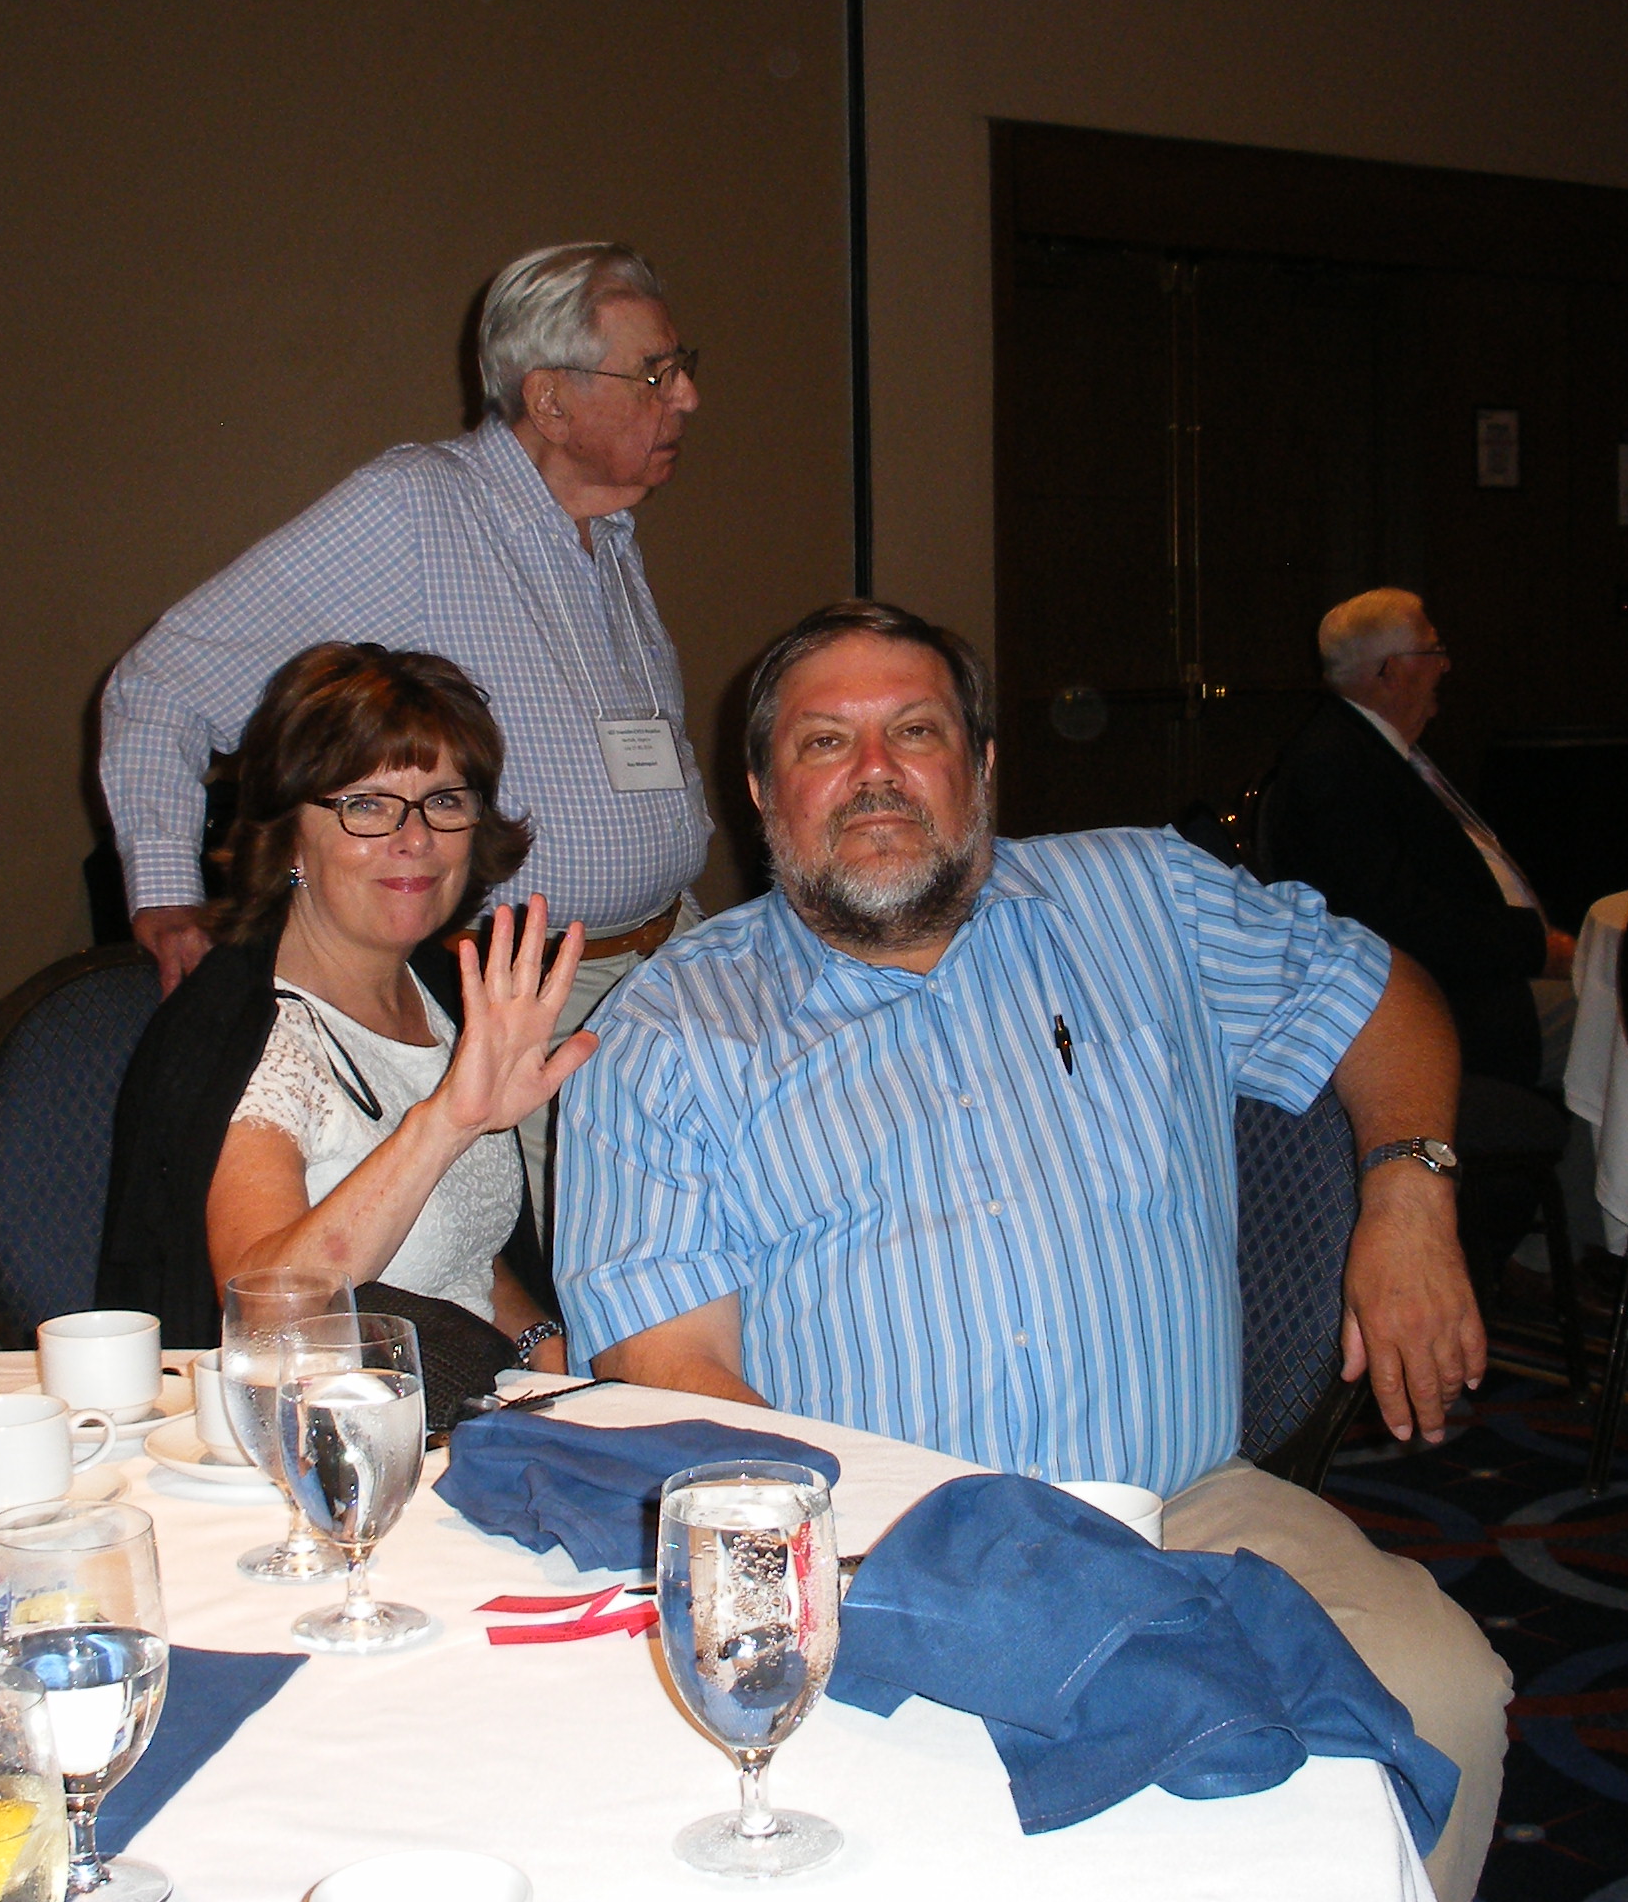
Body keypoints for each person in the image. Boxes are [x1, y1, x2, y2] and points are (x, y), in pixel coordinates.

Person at [556, 600, 1514, 1902]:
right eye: (825, 742)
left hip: (1184, 1509)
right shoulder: (670, 1029)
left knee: (1439, 1693)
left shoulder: (1148, 898)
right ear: (762, 794)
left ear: (984, 766)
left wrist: (1408, 1193)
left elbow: (1378, 995)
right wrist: (888, 1570)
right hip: (880, 1553)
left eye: (915, 732)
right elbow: (676, 1381)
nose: (875, 772)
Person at [98, 241, 711, 1234]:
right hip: (519, 996)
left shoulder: (606, 535)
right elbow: (160, 683)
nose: (684, 396)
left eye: (682, 367)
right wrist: (165, 895)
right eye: (654, 373)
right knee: (596, 1272)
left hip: (659, 962)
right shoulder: (420, 507)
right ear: (550, 401)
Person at [97, 642, 593, 1372]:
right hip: (328, 1422)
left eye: (444, 801)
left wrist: (554, 1361)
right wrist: (446, 1123)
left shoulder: (440, 990)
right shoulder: (249, 1038)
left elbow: (466, 1250)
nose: (415, 838)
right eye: (366, 805)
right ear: (288, 835)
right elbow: (265, 1313)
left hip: (470, 1393)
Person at [1257, 588, 1574, 1092]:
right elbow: (1397, 921)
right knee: (1623, 1020)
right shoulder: (1336, 767)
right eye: (1432, 651)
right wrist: (1536, 948)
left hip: (1465, 979)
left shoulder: (1368, 748)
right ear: (1389, 672)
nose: (1445, 665)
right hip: (1439, 1006)